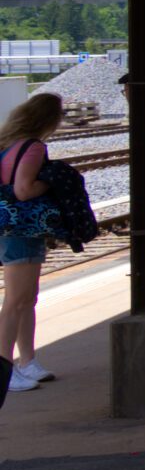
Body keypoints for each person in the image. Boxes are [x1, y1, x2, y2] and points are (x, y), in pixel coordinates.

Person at [0, 92, 65, 393]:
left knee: (26, 299)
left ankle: (27, 361)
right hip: (23, 228)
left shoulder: (8, 143)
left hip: (11, 227)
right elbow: (24, 190)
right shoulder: (34, 147)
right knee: (16, 300)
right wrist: (51, 183)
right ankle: (6, 367)